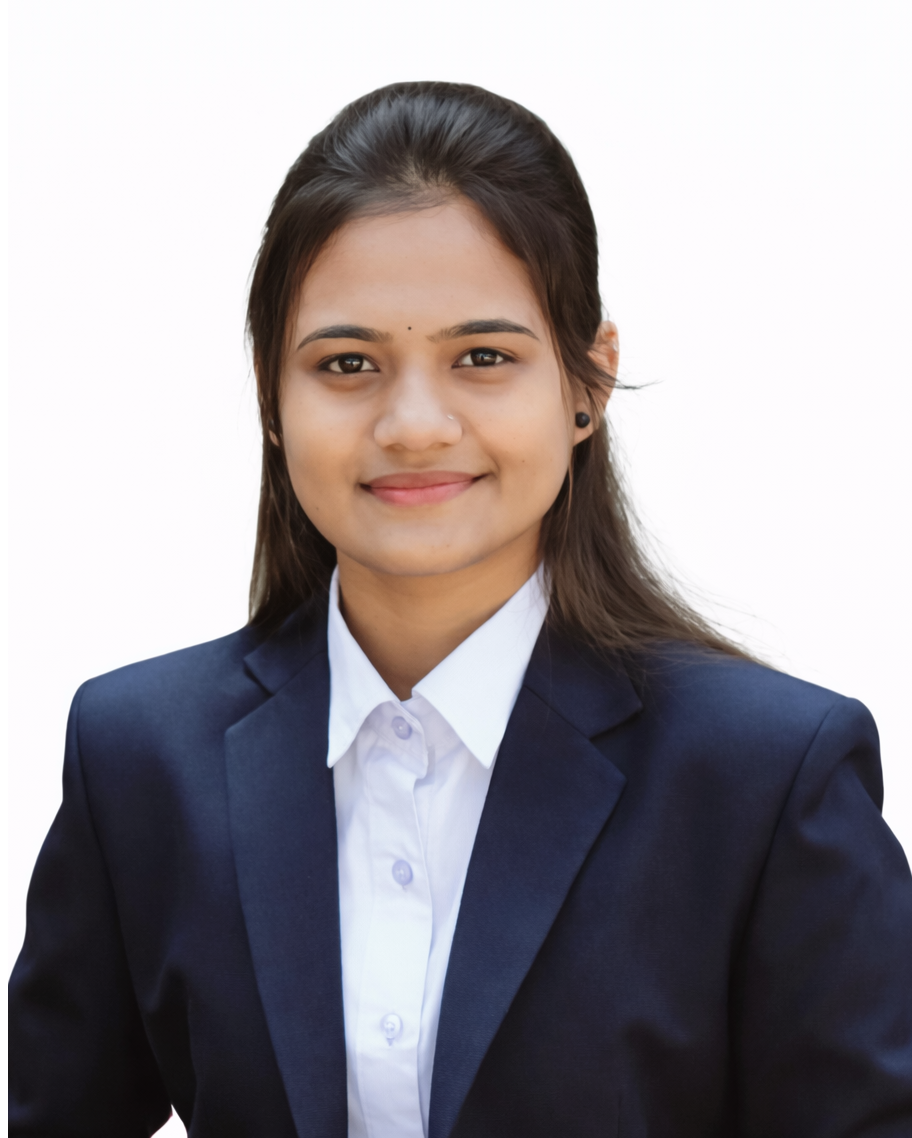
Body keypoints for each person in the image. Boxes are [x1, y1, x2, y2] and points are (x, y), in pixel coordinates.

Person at [9, 81, 912, 1138]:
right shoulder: (138, 757)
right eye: (347, 364)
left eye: (483, 357)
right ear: (269, 394)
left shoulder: (768, 779)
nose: (414, 424)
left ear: (589, 383)